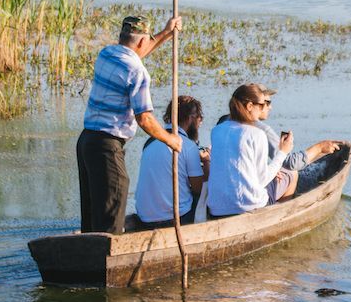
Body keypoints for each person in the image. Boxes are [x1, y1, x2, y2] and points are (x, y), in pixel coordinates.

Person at [75, 15, 182, 234]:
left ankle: (86, 256)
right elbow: (145, 119)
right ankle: (106, 261)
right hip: (106, 146)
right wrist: (171, 139)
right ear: (142, 41)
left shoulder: (107, 54)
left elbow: (136, 54)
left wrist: (166, 33)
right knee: (111, 210)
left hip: (86, 141)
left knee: (94, 212)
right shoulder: (138, 72)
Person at [206, 83, 297, 218]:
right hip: (248, 205)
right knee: (292, 174)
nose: (264, 109)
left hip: (216, 207)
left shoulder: (216, 131)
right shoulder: (256, 134)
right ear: (249, 106)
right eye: (261, 105)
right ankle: (279, 218)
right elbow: (262, 180)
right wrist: (282, 152)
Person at [135, 96, 209, 228]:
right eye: (199, 118)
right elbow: (198, 188)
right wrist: (207, 162)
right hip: (175, 218)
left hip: (145, 218)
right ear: (191, 118)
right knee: (206, 194)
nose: (200, 123)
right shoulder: (187, 145)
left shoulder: (149, 143)